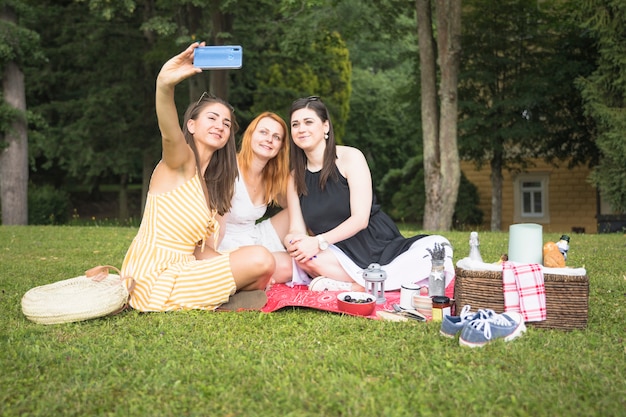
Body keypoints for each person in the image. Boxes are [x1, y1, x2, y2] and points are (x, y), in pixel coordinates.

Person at [120, 43, 274, 311]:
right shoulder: (180, 161)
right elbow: (168, 131)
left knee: (266, 264)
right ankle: (218, 299)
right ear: (191, 125)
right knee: (261, 259)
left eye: (226, 124)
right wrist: (164, 85)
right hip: (154, 276)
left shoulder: (211, 183)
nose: (220, 126)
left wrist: (234, 265)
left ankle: (218, 298)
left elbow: (200, 250)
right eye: (212, 118)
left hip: (187, 267)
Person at [283, 96, 455, 294]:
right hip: (336, 252)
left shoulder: (350, 157)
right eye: (295, 124)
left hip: (376, 243)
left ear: (325, 127)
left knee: (438, 247)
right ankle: (382, 285)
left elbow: (360, 219)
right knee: (306, 258)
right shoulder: (295, 177)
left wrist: (318, 241)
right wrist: (294, 242)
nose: (301, 129)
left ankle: (358, 286)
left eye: (308, 122)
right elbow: (295, 227)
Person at [217, 112, 293, 284]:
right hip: (225, 243)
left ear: (281, 146)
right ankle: (251, 280)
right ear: (250, 135)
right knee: (283, 267)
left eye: (276, 137)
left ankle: (324, 259)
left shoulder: (272, 176)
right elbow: (214, 232)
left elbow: (294, 207)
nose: (269, 140)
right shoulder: (228, 169)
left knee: (299, 212)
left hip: (253, 234)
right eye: (263, 132)